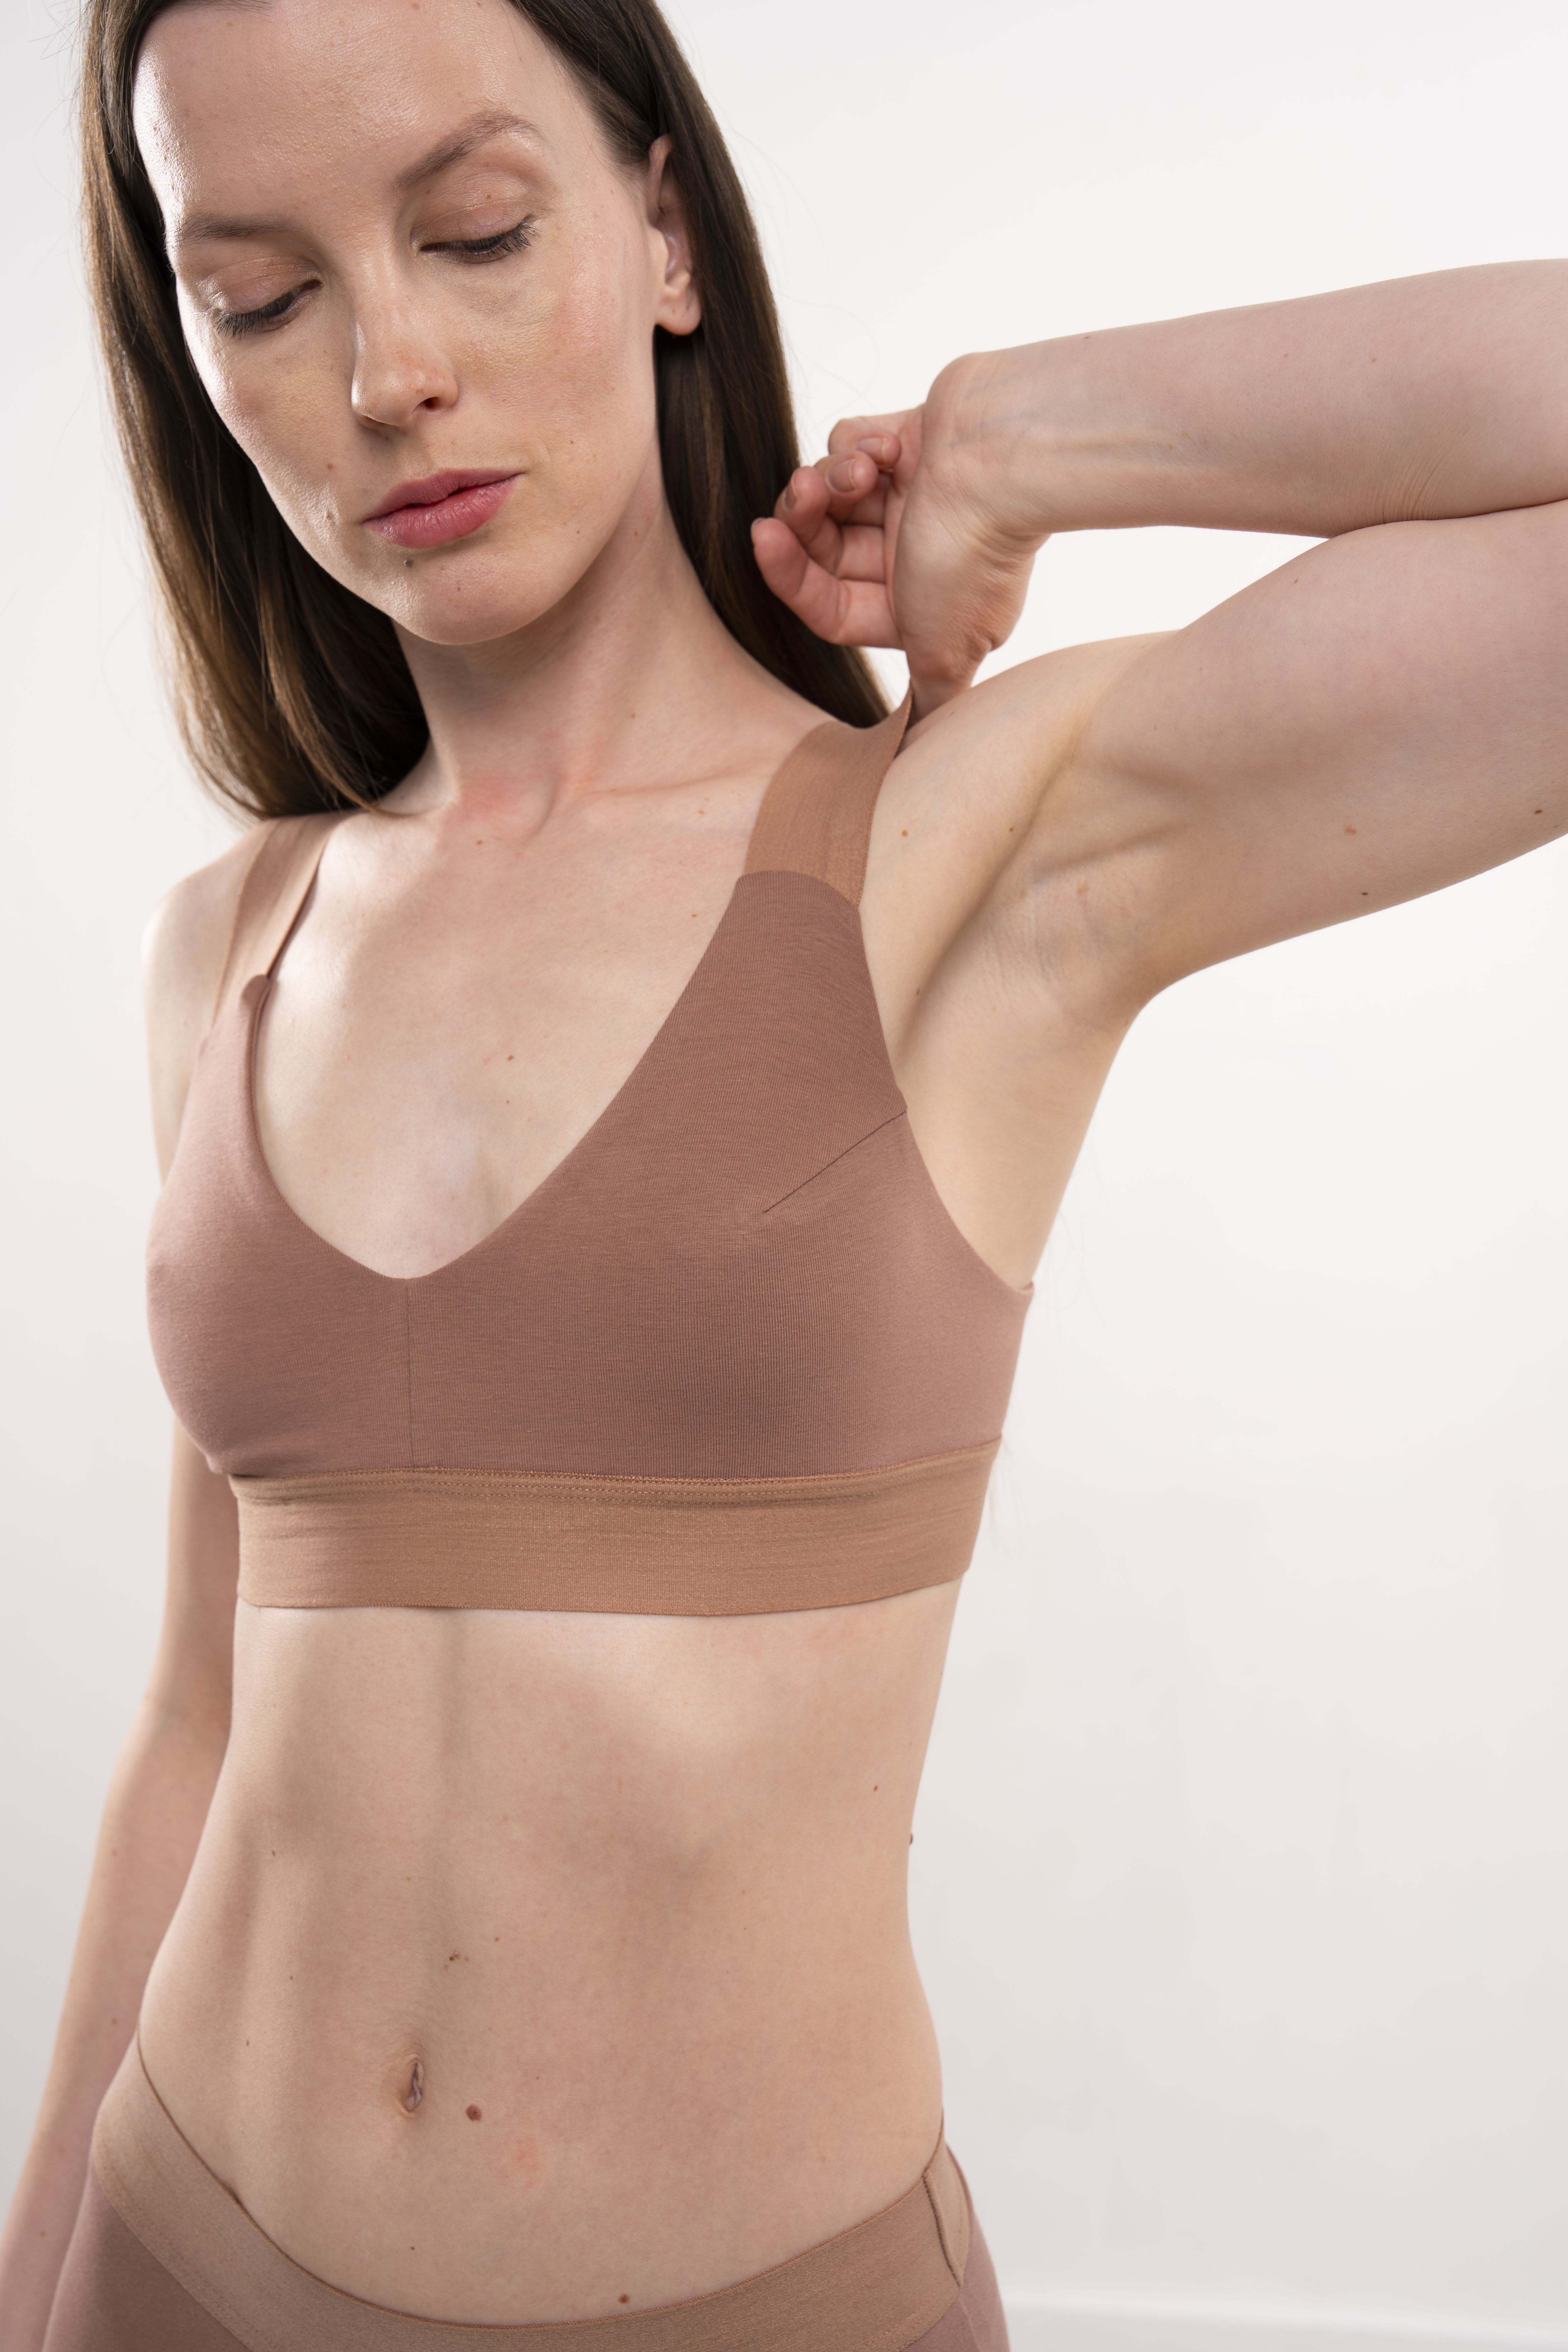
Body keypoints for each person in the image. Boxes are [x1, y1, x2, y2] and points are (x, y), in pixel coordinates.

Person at [4, 0, 1565, 2342]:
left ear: (666, 229)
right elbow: (200, 1721)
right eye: (263, 295)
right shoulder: (231, 945)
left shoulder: (964, 849)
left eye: (474, 230)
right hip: (177, 2261)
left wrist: (1034, 434)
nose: (388, 373)